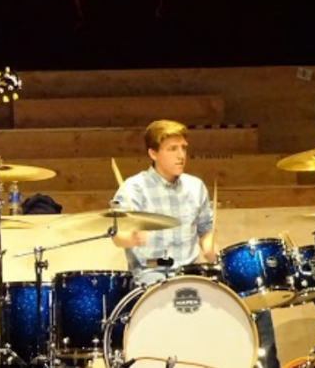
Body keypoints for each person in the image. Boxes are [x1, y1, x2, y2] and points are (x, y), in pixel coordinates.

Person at [110, 119, 279, 368]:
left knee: (254, 298)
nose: (181, 155)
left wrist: (209, 247)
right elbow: (115, 234)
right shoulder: (133, 189)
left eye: (183, 148)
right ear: (153, 153)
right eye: (172, 149)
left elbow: (205, 231)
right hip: (151, 274)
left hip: (191, 272)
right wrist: (130, 237)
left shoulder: (195, 187)